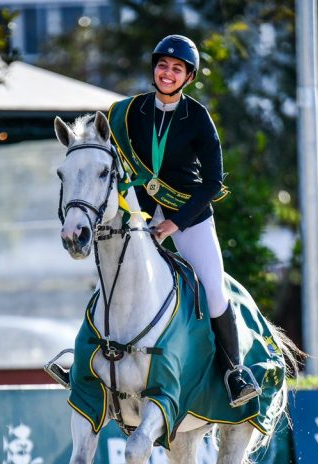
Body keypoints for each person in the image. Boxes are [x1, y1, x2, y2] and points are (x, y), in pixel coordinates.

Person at [107, 34, 260, 408]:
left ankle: (234, 372)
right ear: (154, 69)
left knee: (212, 288)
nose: (168, 73)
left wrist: (173, 223)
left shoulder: (198, 117)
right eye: (163, 66)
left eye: (177, 69)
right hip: (142, 208)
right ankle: (84, 359)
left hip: (188, 212)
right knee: (111, 271)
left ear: (188, 78)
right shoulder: (131, 112)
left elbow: (212, 183)